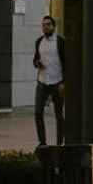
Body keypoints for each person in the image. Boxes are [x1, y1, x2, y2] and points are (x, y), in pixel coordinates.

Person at [32, 14, 67, 147]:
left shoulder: (60, 42)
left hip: (57, 81)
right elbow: (35, 59)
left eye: (48, 25)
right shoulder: (39, 41)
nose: (46, 27)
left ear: (54, 26)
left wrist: (64, 82)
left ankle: (60, 141)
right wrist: (37, 63)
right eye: (44, 25)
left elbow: (66, 62)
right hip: (42, 81)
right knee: (38, 112)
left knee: (59, 114)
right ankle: (42, 142)